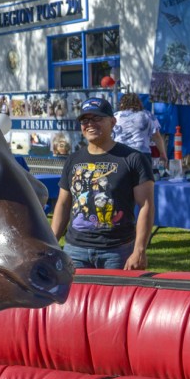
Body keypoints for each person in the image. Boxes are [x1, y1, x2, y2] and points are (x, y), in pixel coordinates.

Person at [51, 97, 154, 271]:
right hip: (75, 251)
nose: (90, 124)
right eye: (85, 120)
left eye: (97, 118)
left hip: (117, 252)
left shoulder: (133, 159)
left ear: (113, 122)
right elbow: (63, 203)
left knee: (119, 299)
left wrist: (139, 250)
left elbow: (146, 206)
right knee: (75, 298)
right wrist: (52, 243)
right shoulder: (73, 160)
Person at [113, 93, 167, 168]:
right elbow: (157, 136)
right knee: (144, 179)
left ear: (122, 104)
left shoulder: (115, 116)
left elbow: (109, 136)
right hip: (142, 154)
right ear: (139, 103)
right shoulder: (147, 115)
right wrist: (162, 154)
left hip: (120, 154)